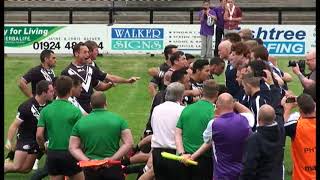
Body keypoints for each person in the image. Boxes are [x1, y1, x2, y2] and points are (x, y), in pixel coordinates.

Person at [69, 91, 134, 180]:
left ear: (90, 105)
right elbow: (129, 143)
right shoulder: (119, 120)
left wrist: (88, 161)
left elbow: (73, 147)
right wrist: (112, 159)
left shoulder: (80, 123)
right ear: (106, 103)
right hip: (113, 167)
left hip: (91, 169)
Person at [189, 93, 253, 180]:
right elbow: (248, 112)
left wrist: (215, 116)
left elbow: (207, 140)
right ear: (233, 104)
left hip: (222, 174)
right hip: (242, 172)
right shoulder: (245, 119)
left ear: (217, 105)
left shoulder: (213, 124)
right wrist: (235, 103)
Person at [61, 42, 139, 113]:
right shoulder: (66, 72)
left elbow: (104, 82)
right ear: (76, 54)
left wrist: (127, 81)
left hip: (92, 110)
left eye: (88, 52)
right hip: (76, 110)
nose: (88, 55)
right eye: (85, 52)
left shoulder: (91, 69)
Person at [36, 76, 84, 180]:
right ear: (71, 90)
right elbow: (82, 135)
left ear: (55, 90)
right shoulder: (75, 111)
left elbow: (39, 135)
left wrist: (43, 149)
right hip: (70, 154)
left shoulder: (45, 110)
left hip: (52, 153)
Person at [5, 80, 54, 174]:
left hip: (37, 140)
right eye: (51, 91)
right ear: (44, 93)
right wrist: (9, 140)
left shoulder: (49, 105)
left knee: (26, 169)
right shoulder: (26, 106)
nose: (53, 93)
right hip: (25, 138)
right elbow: (14, 125)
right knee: (17, 166)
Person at [175, 80, 219, 180]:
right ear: (217, 94)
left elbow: (177, 133)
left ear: (202, 91)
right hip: (203, 161)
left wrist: (182, 153)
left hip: (184, 159)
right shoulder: (215, 112)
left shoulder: (187, 109)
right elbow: (210, 140)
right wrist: (193, 157)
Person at [151, 82, 185, 180]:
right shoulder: (182, 110)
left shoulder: (157, 109)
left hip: (157, 153)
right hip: (174, 153)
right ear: (181, 96)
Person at [240, 104, 284, 180]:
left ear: (258, 119)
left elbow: (249, 168)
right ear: (274, 118)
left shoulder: (254, 139)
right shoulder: (281, 133)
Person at [282, 93, 316, 180]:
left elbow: (279, 128)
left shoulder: (295, 125)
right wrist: (303, 100)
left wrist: (287, 109)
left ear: (300, 110)